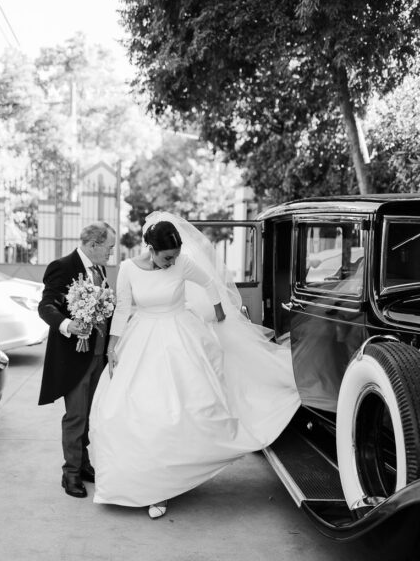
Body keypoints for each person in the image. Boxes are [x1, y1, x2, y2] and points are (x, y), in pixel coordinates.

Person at [89, 213, 300, 519]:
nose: (171, 263)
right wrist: (112, 346)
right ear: (150, 247)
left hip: (180, 337)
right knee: (130, 412)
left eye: (175, 257)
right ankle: (140, 484)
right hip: (141, 338)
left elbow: (209, 283)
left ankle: (166, 485)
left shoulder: (183, 264)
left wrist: (219, 312)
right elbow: (122, 309)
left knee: (179, 413)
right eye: (166, 257)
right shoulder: (127, 269)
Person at [38, 221, 116, 499]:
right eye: (109, 248)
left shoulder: (100, 270)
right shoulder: (62, 266)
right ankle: (70, 473)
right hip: (74, 358)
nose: (111, 254)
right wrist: (67, 325)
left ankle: (83, 464)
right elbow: (46, 305)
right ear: (93, 245)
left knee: (89, 415)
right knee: (76, 416)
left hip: (97, 356)